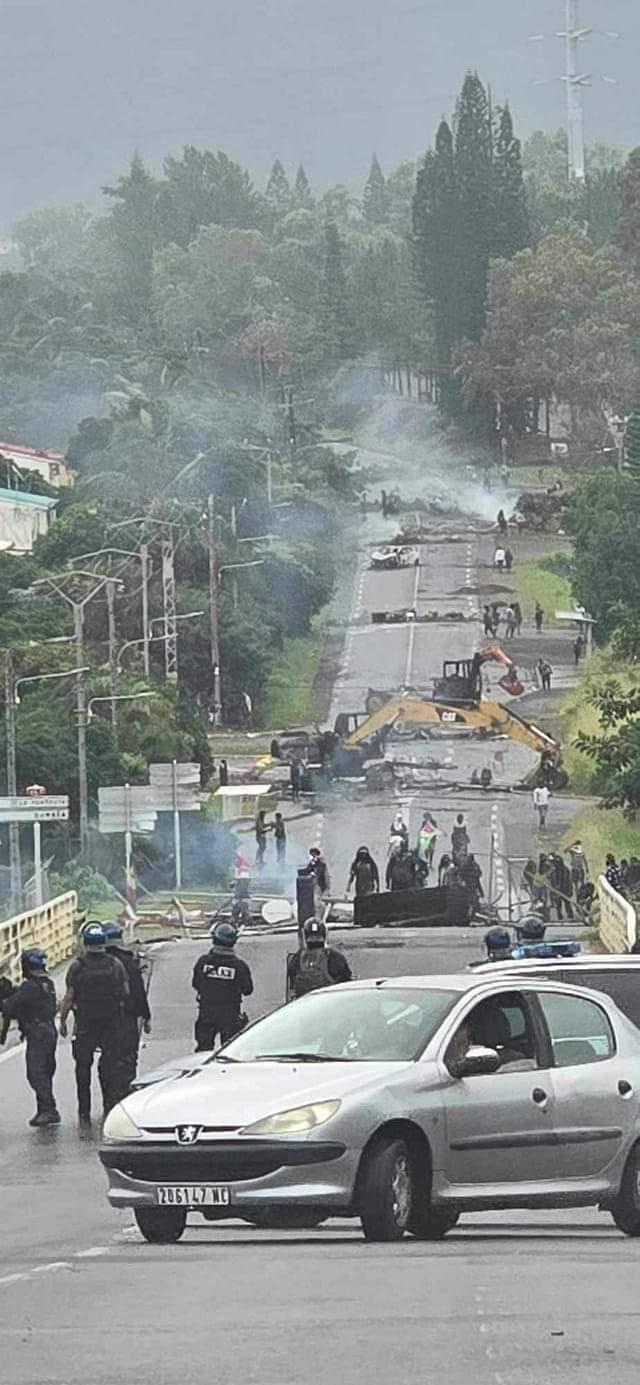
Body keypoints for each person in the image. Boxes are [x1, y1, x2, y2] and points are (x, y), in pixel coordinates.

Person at [60, 923, 129, 1124]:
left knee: (83, 1067)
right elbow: (125, 992)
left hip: (85, 1024)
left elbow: (69, 997)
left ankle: (84, 1110)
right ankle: (109, 1105)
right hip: (110, 1023)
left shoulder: (77, 966)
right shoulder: (115, 964)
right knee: (109, 1065)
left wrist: (63, 1020)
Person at [0, 949, 60, 1127]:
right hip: (48, 1030)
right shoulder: (46, 983)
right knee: (45, 1071)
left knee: (36, 1073)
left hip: (38, 1033)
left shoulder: (31, 987)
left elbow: (10, 1007)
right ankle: (44, 1109)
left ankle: (49, 1109)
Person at [103, 921, 151, 1093]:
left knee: (108, 1058)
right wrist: (146, 1017)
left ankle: (109, 1097)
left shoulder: (94, 962)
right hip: (128, 1017)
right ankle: (126, 1092)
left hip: (104, 1020)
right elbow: (138, 992)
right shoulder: (129, 961)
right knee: (129, 1057)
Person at [192, 921, 253, 1051]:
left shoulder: (203, 962)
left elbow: (196, 984)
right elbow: (248, 990)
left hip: (206, 1015)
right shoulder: (239, 966)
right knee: (230, 1052)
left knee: (203, 1052)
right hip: (230, 1016)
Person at [287, 918, 352, 999]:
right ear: (324, 935)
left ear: (305, 936)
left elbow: (292, 986)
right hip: (330, 1003)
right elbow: (347, 983)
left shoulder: (297, 958)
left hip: (303, 1005)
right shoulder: (335, 957)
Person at [549, 854, 574, 922]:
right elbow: (552, 882)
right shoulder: (553, 872)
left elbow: (569, 881)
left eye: (556, 863)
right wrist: (553, 891)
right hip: (557, 891)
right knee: (558, 904)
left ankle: (570, 916)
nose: (555, 864)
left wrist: (570, 890)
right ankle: (559, 917)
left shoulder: (565, 870)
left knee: (567, 903)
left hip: (565, 890)